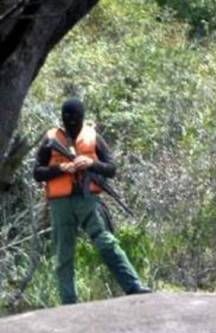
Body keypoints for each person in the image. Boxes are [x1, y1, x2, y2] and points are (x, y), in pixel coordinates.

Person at [32, 98, 151, 305]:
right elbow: (37, 172)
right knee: (63, 253)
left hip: (88, 200)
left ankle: (133, 286)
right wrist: (60, 168)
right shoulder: (50, 138)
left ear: (82, 117)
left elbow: (111, 169)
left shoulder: (93, 137)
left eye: (75, 118)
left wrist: (90, 163)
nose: (71, 122)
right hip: (60, 204)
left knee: (106, 242)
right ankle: (69, 302)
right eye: (67, 118)